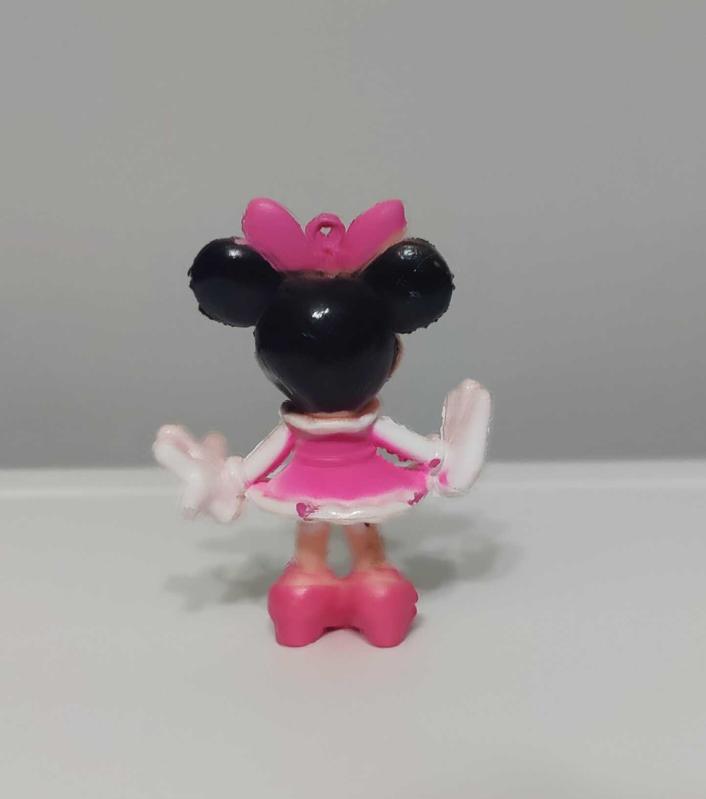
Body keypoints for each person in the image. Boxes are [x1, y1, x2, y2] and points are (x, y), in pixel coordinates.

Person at [154, 198, 491, 647]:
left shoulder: (299, 429)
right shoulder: (367, 424)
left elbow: (253, 469)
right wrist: (446, 458)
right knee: (357, 525)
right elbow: (427, 455)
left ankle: (315, 582)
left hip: (310, 480)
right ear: (391, 359)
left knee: (323, 527)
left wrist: (231, 478)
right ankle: (367, 580)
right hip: (362, 480)